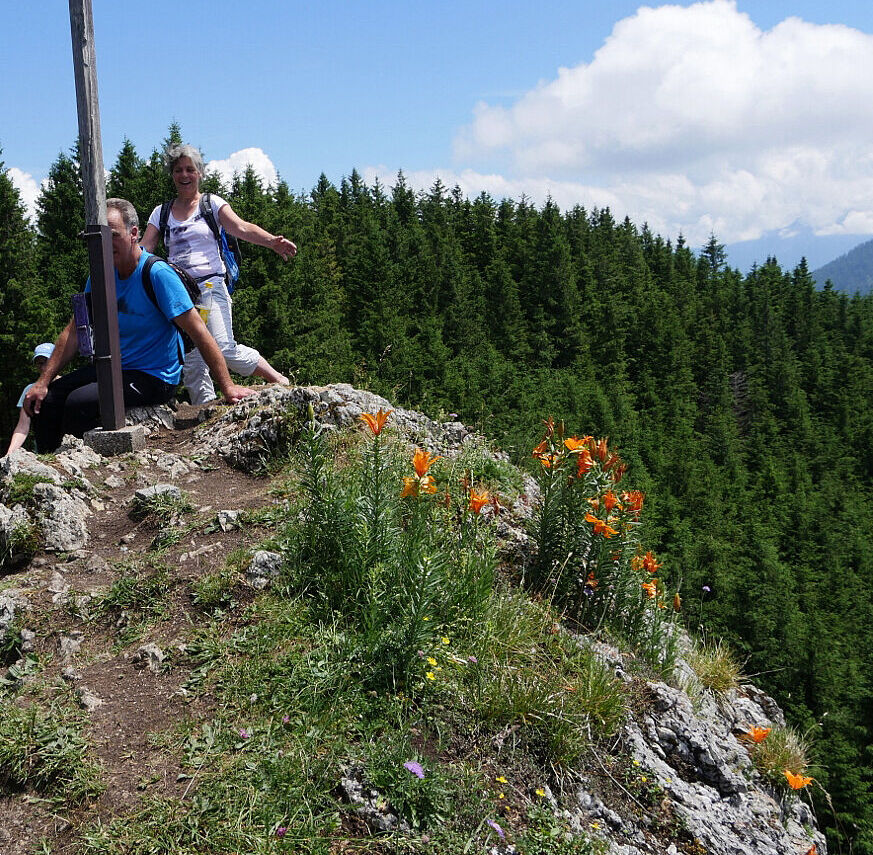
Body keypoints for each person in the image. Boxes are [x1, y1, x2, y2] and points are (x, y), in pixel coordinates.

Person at [24, 198, 256, 452]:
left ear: (134, 233)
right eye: (100, 236)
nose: (105, 243)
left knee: (76, 404)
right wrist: (43, 381)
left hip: (154, 376)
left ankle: (83, 462)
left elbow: (199, 332)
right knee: (47, 399)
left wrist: (227, 387)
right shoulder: (100, 275)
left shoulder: (156, 274)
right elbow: (73, 332)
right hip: (114, 368)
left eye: (113, 235)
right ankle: (49, 463)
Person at [141, 143, 296, 405]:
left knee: (223, 348)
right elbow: (145, 248)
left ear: (200, 173)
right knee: (192, 357)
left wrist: (272, 241)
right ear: (172, 174)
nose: (184, 175)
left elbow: (240, 228)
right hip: (178, 290)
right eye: (178, 170)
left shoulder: (211, 204)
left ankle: (277, 379)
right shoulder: (162, 212)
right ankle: (205, 413)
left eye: (190, 169)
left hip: (211, 285)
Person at [3, 343, 56, 456]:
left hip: (70, 452)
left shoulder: (69, 385)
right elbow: (22, 427)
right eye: (39, 363)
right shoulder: (30, 391)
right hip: (42, 453)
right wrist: (10, 454)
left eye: (46, 361)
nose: (42, 367)